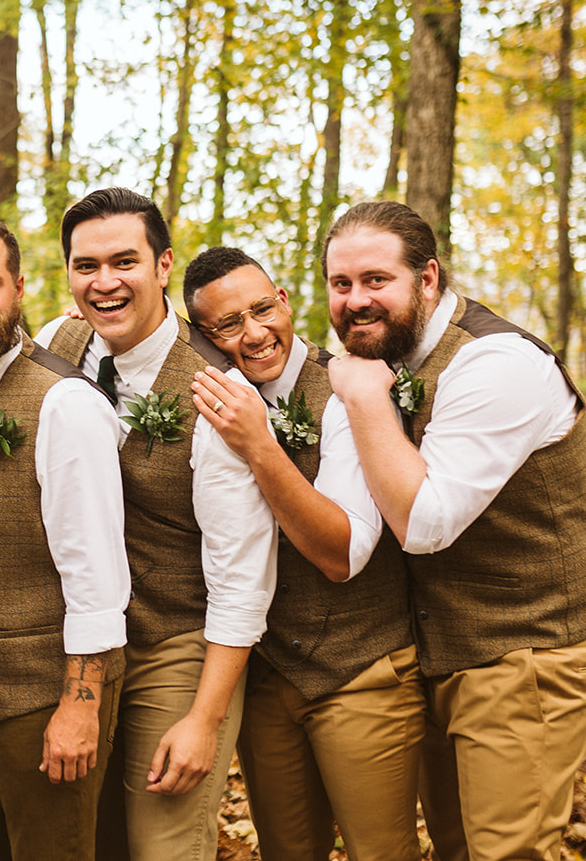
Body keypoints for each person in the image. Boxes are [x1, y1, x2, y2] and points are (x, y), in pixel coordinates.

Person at [320, 201, 586, 861]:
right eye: (340, 283)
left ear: (429, 278)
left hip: (522, 651)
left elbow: (425, 520)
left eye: (376, 279)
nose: (356, 300)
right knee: (459, 848)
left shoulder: (496, 363)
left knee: (512, 852)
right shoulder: (395, 352)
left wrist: (360, 395)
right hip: (441, 656)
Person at [34, 188, 276, 861]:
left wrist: (203, 720)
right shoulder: (59, 341)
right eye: (86, 266)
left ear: (164, 264)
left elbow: (242, 579)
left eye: (124, 262)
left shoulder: (219, 396)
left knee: (162, 843)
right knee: (90, 834)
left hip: (176, 641)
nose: (104, 283)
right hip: (79, 639)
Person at [181, 246, 423, 861]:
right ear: (205, 339)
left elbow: (343, 552)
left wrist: (260, 445)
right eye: (229, 324)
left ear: (284, 301)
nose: (255, 333)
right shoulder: (209, 402)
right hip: (267, 679)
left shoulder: (348, 389)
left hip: (362, 669)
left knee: (382, 852)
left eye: (263, 309)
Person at [0, 215, 129, 860]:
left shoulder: (65, 404)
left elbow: (96, 575)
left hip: (42, 699)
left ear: (18, 288)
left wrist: (79, 705)